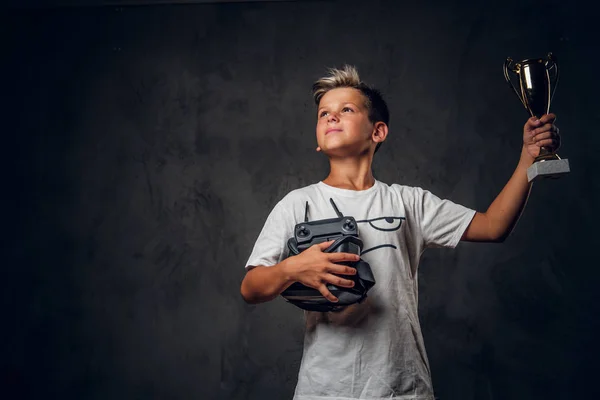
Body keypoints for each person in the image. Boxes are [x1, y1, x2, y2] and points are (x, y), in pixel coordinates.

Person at [239, 65, 560, 400]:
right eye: (324, 114)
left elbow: (494, 226)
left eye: (346, 110)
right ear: (318, 140)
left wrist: (529, 157)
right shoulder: (298, 203)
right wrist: (292, 268)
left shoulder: (409, 202)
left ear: (378, 131)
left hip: (404, 390)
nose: (332, 118)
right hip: (324, 390)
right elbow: (250, 287)